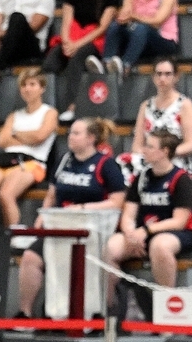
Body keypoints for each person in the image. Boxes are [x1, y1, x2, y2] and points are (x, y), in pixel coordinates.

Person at [16, 117, 125, 318]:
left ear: (91, 138)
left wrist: (83, 208)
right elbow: (51, 195)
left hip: (91, 229)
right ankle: (25, 313)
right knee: (31, 257)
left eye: (76, 133)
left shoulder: (106, 164)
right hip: (59, 226)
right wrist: (41, 219)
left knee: (99, 263)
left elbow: (117, 201)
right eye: (70, 133)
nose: (70, 137)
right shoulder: (64, 161)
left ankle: (99, 313)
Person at [104, 128, 192, 318]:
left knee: (159, 245)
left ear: (164, 151)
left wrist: (146, 231)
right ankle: (112, 309)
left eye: (150, 146)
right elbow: (128, 215)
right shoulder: (141, 178)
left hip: (176, 233)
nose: (144, 150)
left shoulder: (181, 179)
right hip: (142, 233)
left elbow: (179, 221)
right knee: (110, 247)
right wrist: (130, 234)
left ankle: (166, 311)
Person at [0, 67, 58, 227]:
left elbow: (40, 136)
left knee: (6, 194)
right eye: (24, 85)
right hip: (7, 159)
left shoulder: (49, 113)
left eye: (32, 84)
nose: (27, 89)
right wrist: (29, 137)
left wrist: (15, 134)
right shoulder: (14, 115)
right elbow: (2, 141)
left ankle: (14, 234)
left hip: (33, 163)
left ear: (42, 88)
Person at [43, 0, 117, 93]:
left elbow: (102, 28)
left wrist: (77, 45)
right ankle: (47, 100)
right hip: (71, 38)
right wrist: (66, 43)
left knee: (77, 59)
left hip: (94, 41)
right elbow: (66, 22)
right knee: (50, 62)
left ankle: (72, 103)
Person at [104, 0, 178, 79]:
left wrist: (133, 16)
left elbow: (157, 21)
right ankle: (107, 63)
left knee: (141, 28)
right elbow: (124, 16)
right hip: (138, 40)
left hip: (162, 42)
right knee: (115, 26)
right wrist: (120, 17)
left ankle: (125, 66)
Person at [133, 58, 192, 171]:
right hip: (150, 166)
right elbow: (137, 145)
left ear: (176, 76)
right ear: (153, 77)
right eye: (159, 74)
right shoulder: (145, 106)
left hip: (176, 165)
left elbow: (191, 144)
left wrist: (164, 154)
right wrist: (149, 154)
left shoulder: (184, 105)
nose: (162, 78)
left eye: (167, 74)